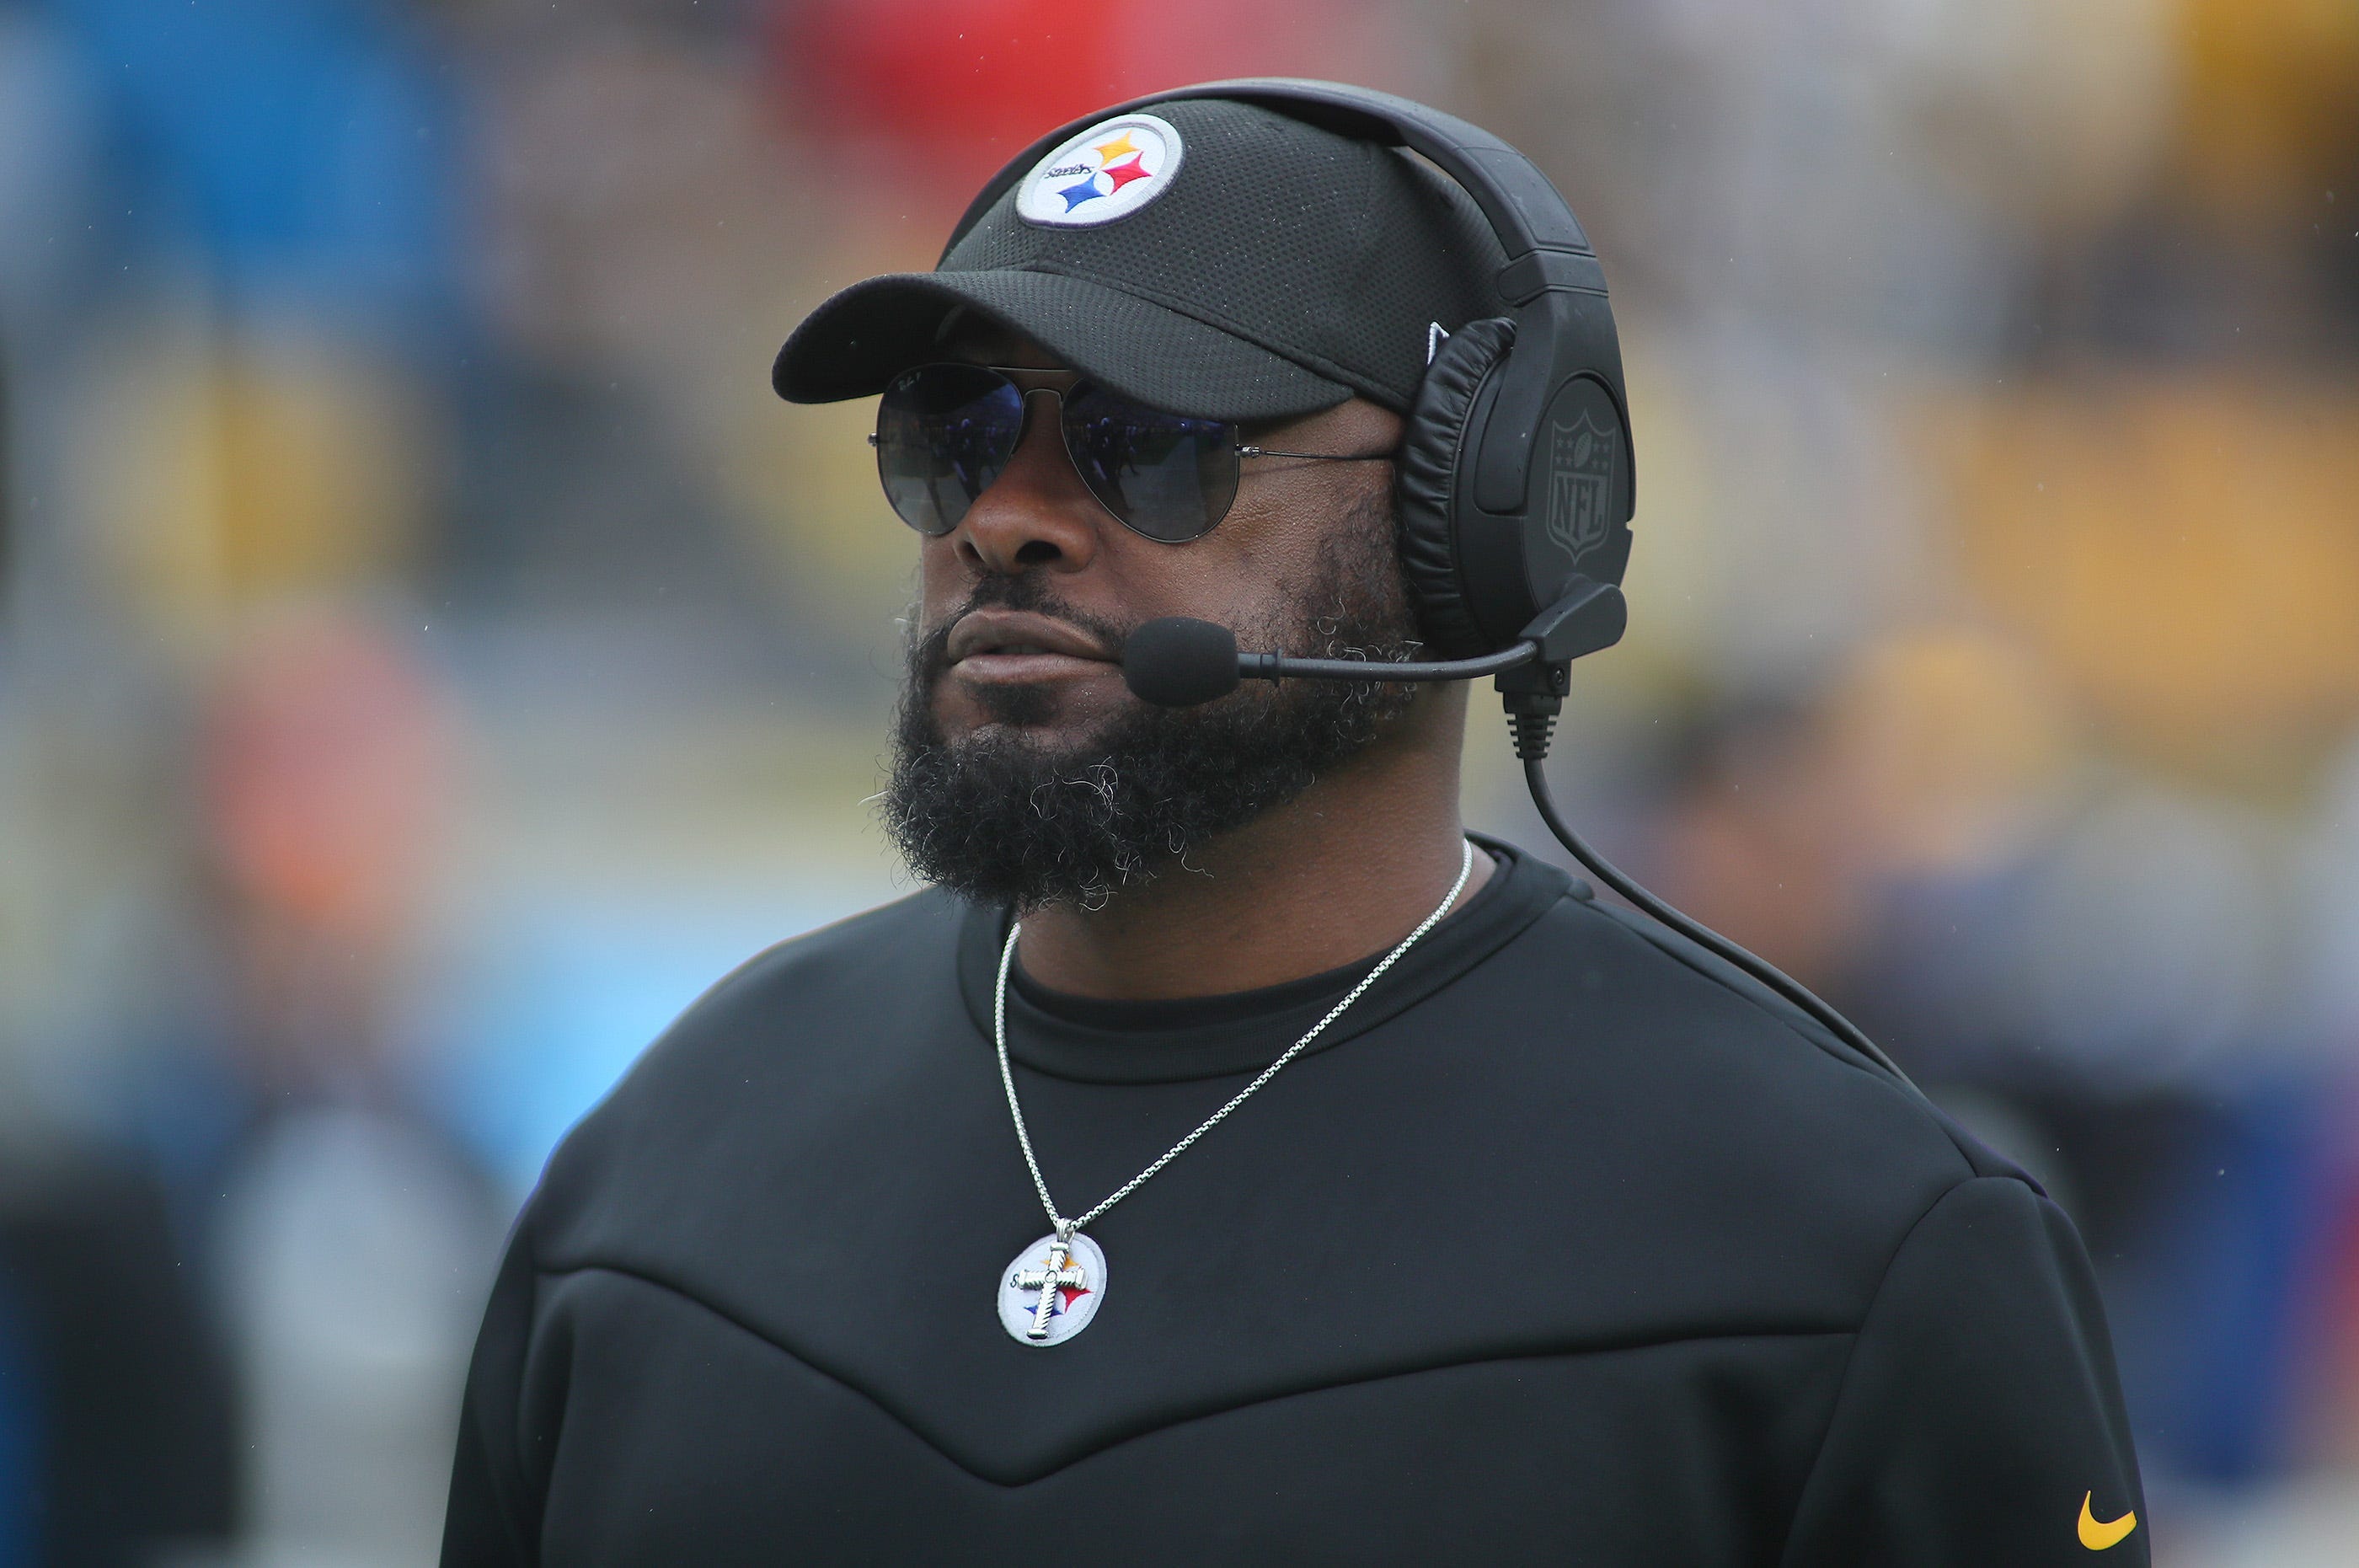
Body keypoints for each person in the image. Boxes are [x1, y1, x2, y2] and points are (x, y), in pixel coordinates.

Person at [441, 84, 2147, 1565]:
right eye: (952, 439)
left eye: (1150, 441)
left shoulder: (1847, 1243)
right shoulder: (666, 1168)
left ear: (1468, 521)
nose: (1009, 523)